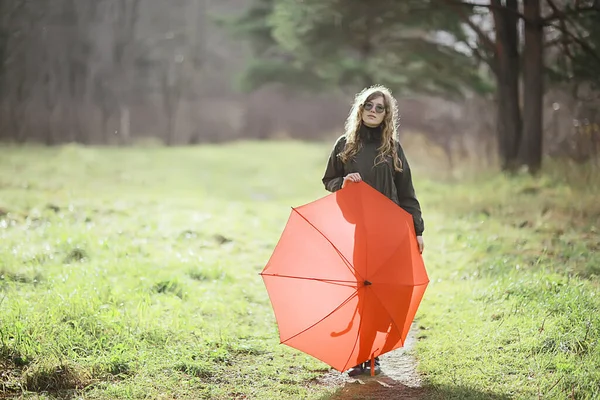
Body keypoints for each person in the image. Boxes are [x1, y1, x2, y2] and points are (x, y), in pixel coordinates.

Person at [321, 84, 425, 376]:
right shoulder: (345, 145)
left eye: (380, 108)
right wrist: (344, 182)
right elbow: (329, 179)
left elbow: (407, 192)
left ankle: (372, 354)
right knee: (363, 289)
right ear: (361, 109)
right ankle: (363, 355)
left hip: (391, 230)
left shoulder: (392, 148)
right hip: (361, 229)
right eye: (369, 106)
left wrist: (417, 230)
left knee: (382, 292)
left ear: (386, 114)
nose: (374, 112)